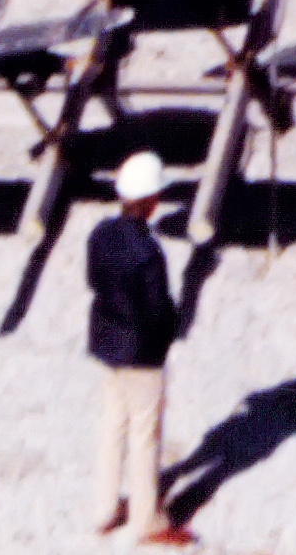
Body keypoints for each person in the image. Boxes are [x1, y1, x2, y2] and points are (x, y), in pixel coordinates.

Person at [82, 152, 194, 541]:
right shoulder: (149, 252)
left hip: (105, 344)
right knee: (145, 433)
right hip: (141, 353)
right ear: (149, 201)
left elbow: (93, 282)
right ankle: (145, 519)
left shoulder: (99, 234)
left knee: (113, 424)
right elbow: (157, 309)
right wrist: (171, 328)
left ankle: (105, 509)